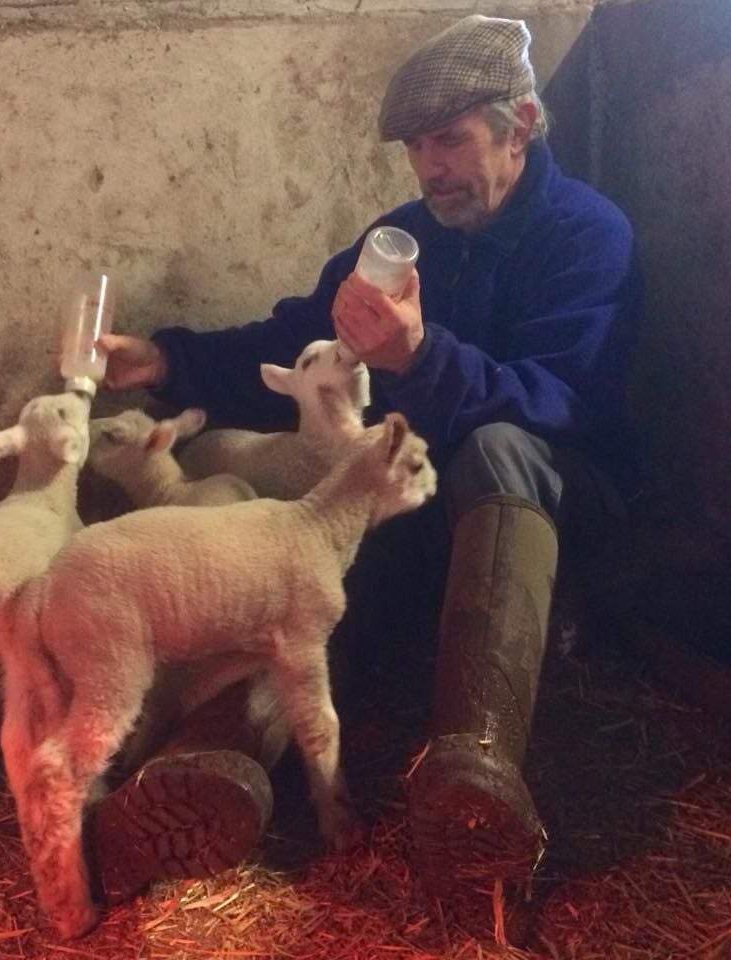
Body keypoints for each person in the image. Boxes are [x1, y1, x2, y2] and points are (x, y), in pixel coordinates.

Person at [88, 14, 642, 900]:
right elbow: (297, 336)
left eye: (452, 141)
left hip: (546, 517)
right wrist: (166, 360)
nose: (430, 169)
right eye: (418, 147)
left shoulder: (588, 235)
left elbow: (559, 404)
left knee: (496, 449)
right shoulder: (403, 235)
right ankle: (209, 763)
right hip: (423, 506)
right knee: (319, 551)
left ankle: (477, 772)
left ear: (522, 126)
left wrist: (422, 360)